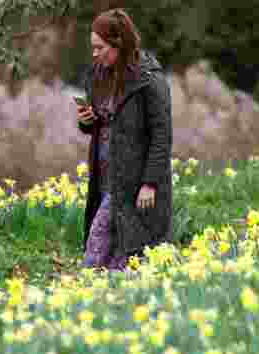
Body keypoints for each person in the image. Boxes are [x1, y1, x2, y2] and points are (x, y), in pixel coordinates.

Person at [76, 8, 173, 271]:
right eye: (93, 48)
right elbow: (99, 123)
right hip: (106, 175)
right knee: (118, 246)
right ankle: (110, 295)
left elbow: (162, 136)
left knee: (101, 240)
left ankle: (88, 289)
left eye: (100, 48)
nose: (95, 54)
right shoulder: (98, 76)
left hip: (135, 180)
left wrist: (150, 183)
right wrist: (87, 121)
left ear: (118, 42)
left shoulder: (150, 81)